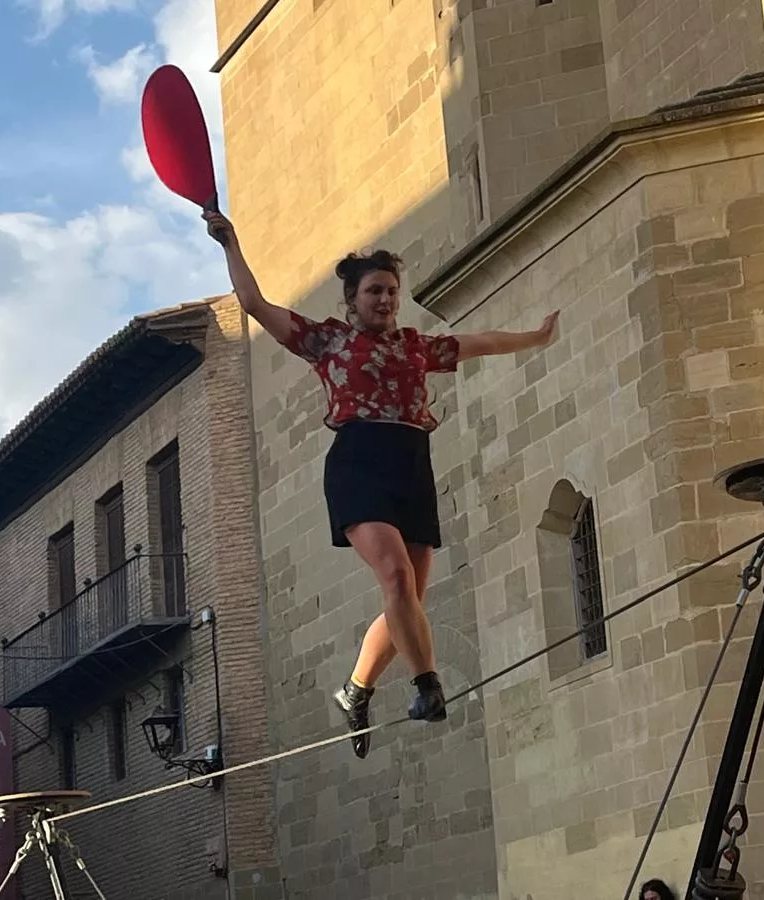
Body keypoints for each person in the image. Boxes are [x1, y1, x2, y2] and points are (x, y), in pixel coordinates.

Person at [204, 209, 559, 755]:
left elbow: (480, 341)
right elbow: (255, 305)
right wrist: (231, 242)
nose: (385, 300)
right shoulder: (328, 343)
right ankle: (427, 686)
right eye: (374, 291)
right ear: (352, 299)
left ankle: (355, 690)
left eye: (392, 291)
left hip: (412, 463)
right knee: (394, 576)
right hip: (359, 462)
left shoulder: (417, 346)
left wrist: (535, 338)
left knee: (409, 597)